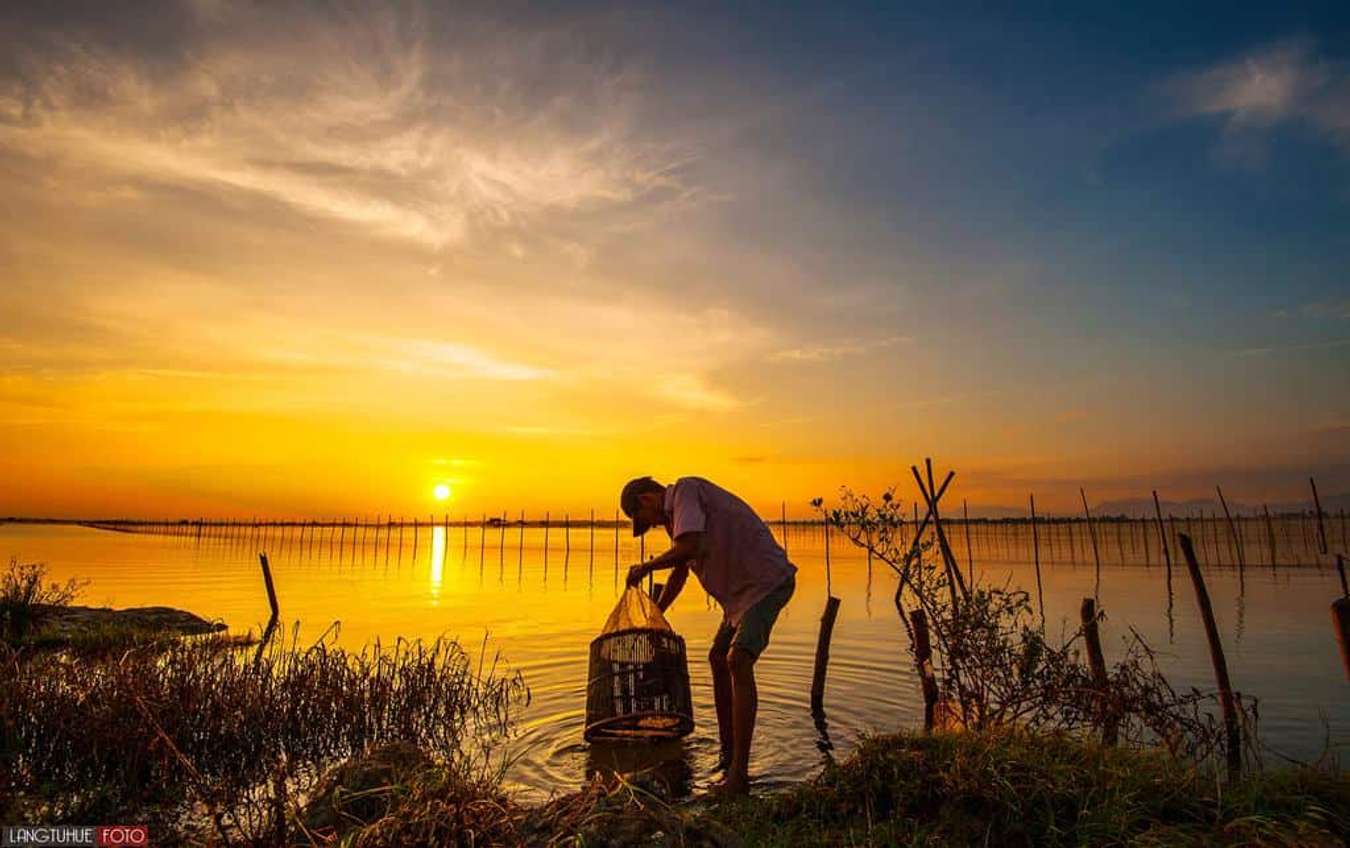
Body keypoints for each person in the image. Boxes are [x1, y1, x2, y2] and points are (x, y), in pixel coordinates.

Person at [620, 475, 796, 796]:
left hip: (766, 583)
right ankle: (728, 756)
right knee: (718, 658)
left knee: (738, 660)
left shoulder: (687, 491)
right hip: (739, 599)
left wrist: (645, 569)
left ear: (646, 499)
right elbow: (681, 570)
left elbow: (693, 547)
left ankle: (739, 776)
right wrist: (656, 612)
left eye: (644, 521)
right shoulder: (677, 520)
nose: (651, 526)